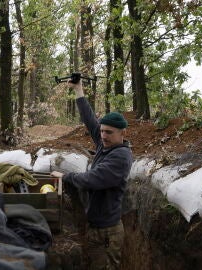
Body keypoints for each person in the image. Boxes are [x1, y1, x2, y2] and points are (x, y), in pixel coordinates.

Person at [51, 79, 133, 270]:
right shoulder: (105, 143)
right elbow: (89, 120)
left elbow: (92, 180)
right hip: (95, 226)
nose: (103, 136)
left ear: (123, 133)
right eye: (102, 131)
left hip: (108, 232)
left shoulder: (121, 156)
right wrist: (78, 90)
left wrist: (65, 177)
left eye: (109, 132)